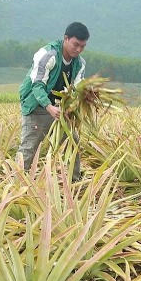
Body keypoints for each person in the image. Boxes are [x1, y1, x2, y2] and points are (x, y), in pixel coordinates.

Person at [18, 22, 90, 178]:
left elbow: (76, 89)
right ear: (66, 38)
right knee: (30, 146)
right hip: (36, 105)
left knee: (73, 141)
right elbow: (36, 85)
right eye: (75, 44)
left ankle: (74, 181)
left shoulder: (80, 64)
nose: (78, 50)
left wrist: (85, 97)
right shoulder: (47, 55)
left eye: (82, 47)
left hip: (59, 108)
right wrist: (48, 107)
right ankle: (17, 184)